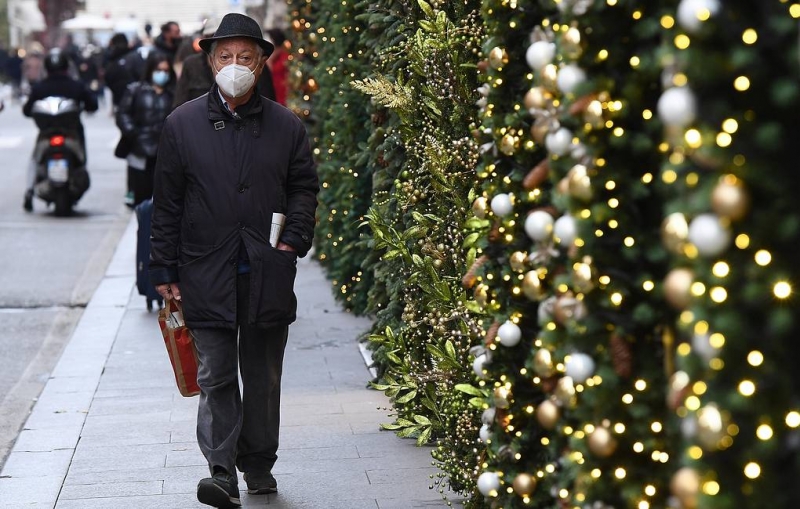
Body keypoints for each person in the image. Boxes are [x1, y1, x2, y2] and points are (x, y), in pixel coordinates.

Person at [149, 13, 318, 509]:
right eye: (225, 56)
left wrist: (291, 242)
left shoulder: (286, 126)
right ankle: (221, 471)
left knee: (263, 375)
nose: (235, 64)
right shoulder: (182, 124)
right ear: (210, 61)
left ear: (262, 63)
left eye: (246, 56)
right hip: (204, 269)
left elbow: (303, 188)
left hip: (266, 269)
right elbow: (168, 202)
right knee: (216, 375)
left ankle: (258, 464)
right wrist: (163, 269)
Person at [22, 49, 98, 212]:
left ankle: (29, 190)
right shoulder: (76, 86)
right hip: (72, 133)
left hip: (48, 134)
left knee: (34, 160)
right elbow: (93, 104)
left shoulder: (40, 88)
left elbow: (27, 110)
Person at [115, 54, 175, 207]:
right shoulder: (136, 90)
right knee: (141, 198)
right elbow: (122, 114)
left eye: (166, 71)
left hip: (165, 151)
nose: (162, 74)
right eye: (159, 70)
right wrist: (132, 132)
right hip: (139, 150)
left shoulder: (173, 93)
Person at [172, 21, 275, 108]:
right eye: (225, 57)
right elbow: (180, 99)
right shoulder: (192, 64)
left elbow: (268, 100)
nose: (234, 64)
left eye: (245, 58)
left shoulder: (255, 65)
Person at [266, 28, 289, 106]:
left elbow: (270, 70)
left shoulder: (285, 57)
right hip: (273, 94)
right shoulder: (272, 56)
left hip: (282, 96)